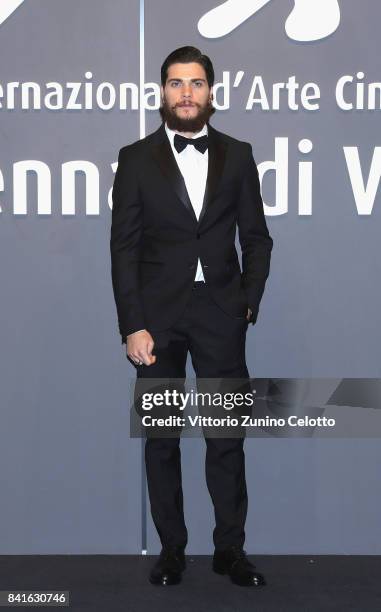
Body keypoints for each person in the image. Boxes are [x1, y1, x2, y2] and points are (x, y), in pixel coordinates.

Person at [110, 46, 273, 587]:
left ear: (211, 93)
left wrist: (246, 300)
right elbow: (124, 248)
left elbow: (256, 237)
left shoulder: (239, 154)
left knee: (226, 437)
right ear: (162, 92)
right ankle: (171, 551)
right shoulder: (135, 159)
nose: (186, 93)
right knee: (162, 437)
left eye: (197, 83)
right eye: (177, 83)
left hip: (220, 314)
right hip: (155, 321)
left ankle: (230, 549)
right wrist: (132, 323)